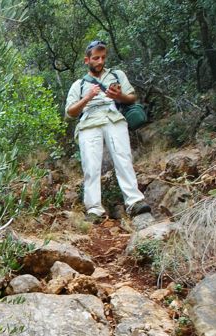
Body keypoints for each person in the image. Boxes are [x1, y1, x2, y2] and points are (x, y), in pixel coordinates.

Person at [65, 40, 150, 223]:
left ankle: (134, 202)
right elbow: (70, 112)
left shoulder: (117, 75)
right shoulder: (78, 84)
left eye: (103, 57)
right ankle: (94, 209)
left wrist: (118, 96)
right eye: (95, 58)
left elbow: (132, 97)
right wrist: (87, 97)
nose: (100, 61)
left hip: (114, 118)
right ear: (86, 60)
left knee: (123, 158)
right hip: (89, 123)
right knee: (91, 166)